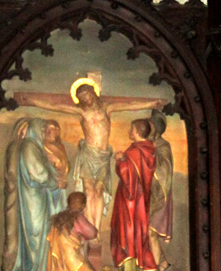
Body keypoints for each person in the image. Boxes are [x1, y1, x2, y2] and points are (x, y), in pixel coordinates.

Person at [24, 78, 165, 241]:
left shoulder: (107, 108)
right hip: (88, 154)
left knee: (99, 191)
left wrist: (152, 104)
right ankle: (89, 226)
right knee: (89, 191)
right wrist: (33, 101)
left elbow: (130, 105)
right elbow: (55, 106)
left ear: (94, 93)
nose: (86, 99)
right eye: (82, 98)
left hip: (103, 155)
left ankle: (96, 229)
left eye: (88, 95)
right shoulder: (82, 112)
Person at [1, 118, 66, 271]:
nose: (44, 133)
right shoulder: (29, 146)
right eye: (42, 129)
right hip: (34, 200)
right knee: (35, 236)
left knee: (39, 235)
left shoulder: (34, 147)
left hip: (36, 197)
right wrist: (55, 183)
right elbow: (39, 174)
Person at [110, 119, 163, 271]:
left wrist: (119, 160)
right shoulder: (149, 150)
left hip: (129, 200)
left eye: (131, 129)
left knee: (128, 232)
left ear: (137, 131)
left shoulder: (134, 152)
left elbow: (128, 177)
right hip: (141, 199)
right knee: (140, 233)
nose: (129, 131)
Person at [36, 192, 100, 271]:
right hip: (74, 259)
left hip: (59, 263)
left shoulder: (58, 218)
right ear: (83, 205)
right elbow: (92, 233)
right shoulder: (78, 217)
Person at [148, 110, 173, 271]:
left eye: (150, 126)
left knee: (151, 232)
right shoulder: (151, 144)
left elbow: (164, 169)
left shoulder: (163, 146)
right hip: (151, 194)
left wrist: (152, 155)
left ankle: (157, 268)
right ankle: (161, 263)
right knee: (148, 232)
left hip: (161, 194)